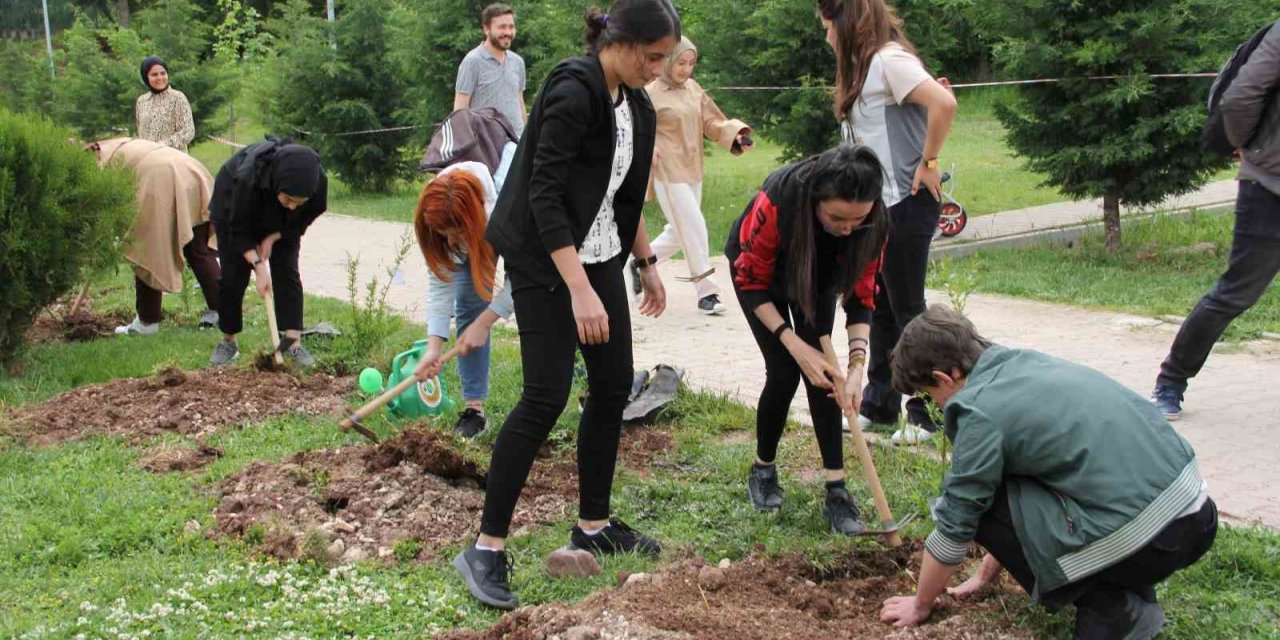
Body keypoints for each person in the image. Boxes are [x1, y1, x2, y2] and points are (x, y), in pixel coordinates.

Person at [453, 0, 679, 610]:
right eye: (653, 57)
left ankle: (594, 526)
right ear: (622, 42)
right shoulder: (572, 91)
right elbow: (546, 196)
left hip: (600, 254)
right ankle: (486, 548)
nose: (659, 70)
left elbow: (622, 193)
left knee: (610, 389)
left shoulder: (635, 104)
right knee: (545, 395)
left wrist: (646, 262)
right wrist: (578, 289)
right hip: (542, 256)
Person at [880, 305, 1217, 639]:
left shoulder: (979, 409)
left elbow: (959, 520)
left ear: (943, 378)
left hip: (1155, 542)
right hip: (1197, 515)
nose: (937, 405)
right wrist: (989, 570)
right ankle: (1133, 590)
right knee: (1000, 488)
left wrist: (920, 605)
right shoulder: (1023, 363)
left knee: (971, 505)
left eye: (930, 396)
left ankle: (1112, 608)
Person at [726, 144, 888, 534]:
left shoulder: (874, 223)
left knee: (827, 379)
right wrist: (794, 345)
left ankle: (836, 491)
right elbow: (750, 280)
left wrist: (855, 368)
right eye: (836, 218)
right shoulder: (779, 202)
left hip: (817, 279)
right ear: (817, 200)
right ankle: (763, 468)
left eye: (857, 220)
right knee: (784, 372)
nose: (848, 228)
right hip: (762, 278)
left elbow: (863, 298)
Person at [817, 0, 957, 445]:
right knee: (877, 304)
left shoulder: (888, 61)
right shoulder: (867, 69)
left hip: (907, 203)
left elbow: (944, 102)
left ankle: (929, 414)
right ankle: (880, 404)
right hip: (879, 207)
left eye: (827, 26)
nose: (826, 37)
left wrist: (930, 161)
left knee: (908, 309)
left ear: (845, 23)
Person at [1151, 20, 1280, 420]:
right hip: (1271, 187)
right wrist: (1250, 147)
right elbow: (1239, 97)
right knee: (1236, 293)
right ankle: (1171, 382)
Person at [641, 36, 752, 315]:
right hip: (666, 169)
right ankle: (707, 291)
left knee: (680, 232)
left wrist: (735, 135)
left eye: (691, 63)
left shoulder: (693, 88)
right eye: (680, 63)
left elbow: (711, 121)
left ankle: (638, 263)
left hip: (692, 167)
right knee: (694, 225)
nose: (686, 69)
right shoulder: (649, 92)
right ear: (666, 60)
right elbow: (636, 128)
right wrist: (648, 146)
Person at [412, 162, 515, 439]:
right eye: (445, 234)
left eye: (456, 233)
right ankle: (475, 412)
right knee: (469, 303)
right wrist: (434, 347)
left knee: (536, 306)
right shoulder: (436, 212)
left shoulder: (504, 211)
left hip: (509, 230)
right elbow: (440, 282)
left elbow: (525, 278)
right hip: (475, 223)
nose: (450, 240)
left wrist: (486, 321)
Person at [207, 138, 328, 368]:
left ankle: (293, 343)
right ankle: (228, 340)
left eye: (299, 202)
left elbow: (303, 217)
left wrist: (275, 237)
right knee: (233, 276)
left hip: (282, 222)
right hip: (233, 208)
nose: (293, 205)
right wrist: (258, 266)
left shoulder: (316, 183)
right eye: (289, 200)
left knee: (287, 270)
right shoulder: (248, 178)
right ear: (279, 185)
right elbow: (239, 230)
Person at [86, 137, 220, 334]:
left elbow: (104, 207)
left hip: (160, 177)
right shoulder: (117, 143)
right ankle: (225, 311)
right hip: (191, 170)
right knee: (197, 248)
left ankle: (147, 322)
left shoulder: (96, 162)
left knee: (145, 248)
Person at [454, 3, 528, 138]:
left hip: (516, 145)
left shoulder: (518, 62)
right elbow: (460, 111)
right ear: (486, 29)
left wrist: (527, 139)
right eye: (501, 27)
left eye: (511, 27)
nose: (508, 32)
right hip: (486, 147)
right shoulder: (472, 61)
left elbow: (519, 102)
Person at [135, 56, 196, 153]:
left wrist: (162, 146)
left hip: (173, 159)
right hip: (148, 158)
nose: (160, 77)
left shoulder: (177, 98)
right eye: (154, 75)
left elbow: (187, 132)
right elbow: (140, 132)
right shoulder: (142, 101)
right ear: (146, 77)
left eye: (163, 73)